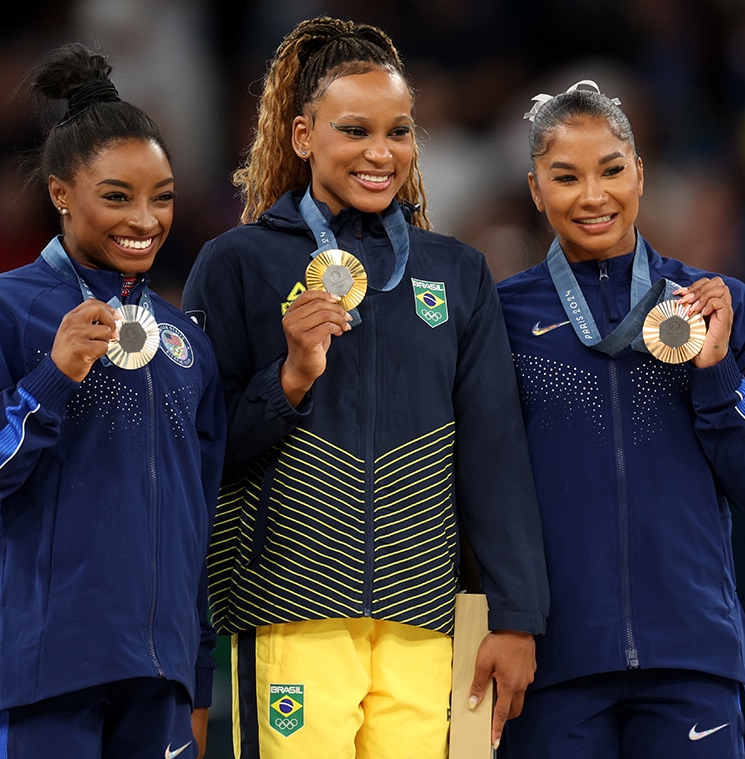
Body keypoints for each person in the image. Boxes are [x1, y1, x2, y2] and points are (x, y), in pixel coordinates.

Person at [181, 15, 549, 759]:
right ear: (302, 136)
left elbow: (494, 453)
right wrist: (287, 380)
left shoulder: (456, 272)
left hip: (422, 614)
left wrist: (515, 615)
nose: (382, 153)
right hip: (288, 607)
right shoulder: (237, 265)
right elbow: (197, 453)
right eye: (354, 130)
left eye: (400, 131)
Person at [0, 42, 226, 759]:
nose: (145, 218)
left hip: (162, 681)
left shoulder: (185, 341)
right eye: (116, 195)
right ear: (61, 192)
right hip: (43, 672)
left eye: (163, 196)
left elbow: (201, 519)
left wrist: (197, 679)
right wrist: (51, 377)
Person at [496, 80, 745, 758]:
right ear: (536, 189)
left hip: (692, 654)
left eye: (610, 169)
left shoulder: (716, 306)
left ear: (640, 172)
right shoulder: (501, 317)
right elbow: (484, 487)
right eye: (565, 177)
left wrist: (714, 369)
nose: (593, 195)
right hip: (555, 664)